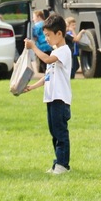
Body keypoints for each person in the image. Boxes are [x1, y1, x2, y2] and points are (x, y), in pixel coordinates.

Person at [22, 14, 73, 174]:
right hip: (51, 98)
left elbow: (47, 61)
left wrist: (33, 47)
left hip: (60, 99)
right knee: (54, 132)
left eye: (48, 35)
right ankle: (58, 162)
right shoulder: (56, 51)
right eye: (45, 35)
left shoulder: (63, 51)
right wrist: (33, 87)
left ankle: (63, 165)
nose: (47, 38)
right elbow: (48, 75)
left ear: (59, 34)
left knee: (60, 132)